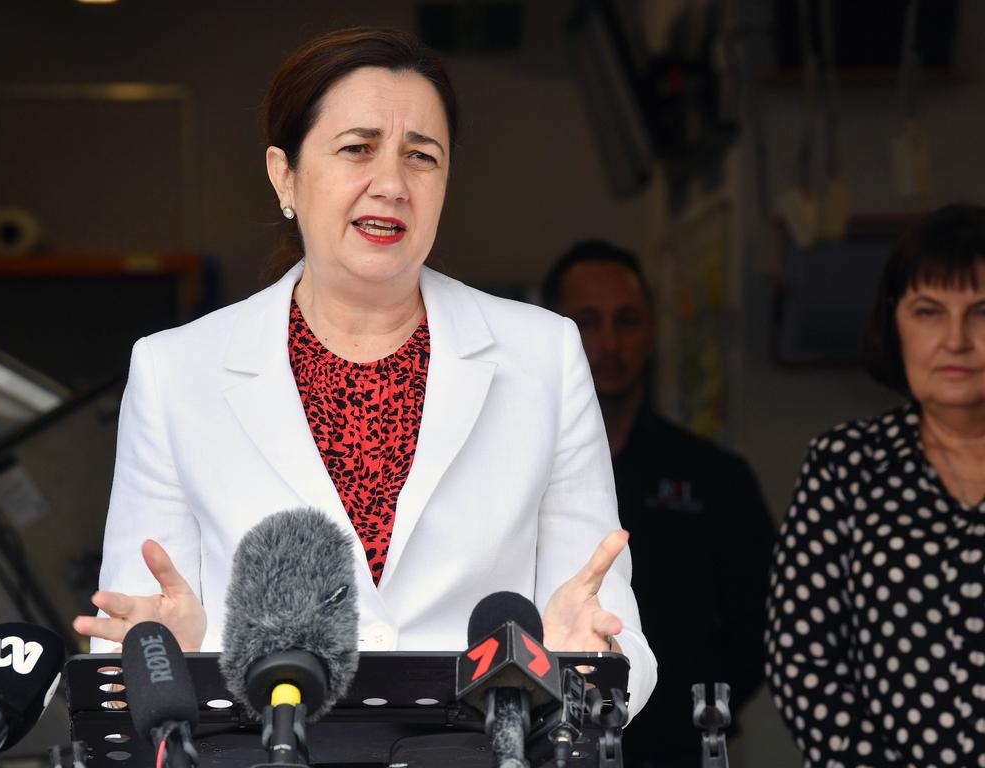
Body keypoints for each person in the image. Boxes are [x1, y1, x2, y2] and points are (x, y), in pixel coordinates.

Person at [71, 28, 657, 716]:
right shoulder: (177, 371)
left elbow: (617, 643)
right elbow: (129, 652)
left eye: (422, 157)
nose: (392, 184)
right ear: (283, 175)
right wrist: (177, 655)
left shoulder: (542, 355)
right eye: (357, 149)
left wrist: (582, 664)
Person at [766, 204, 985, 766]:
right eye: (930, 311)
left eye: (982, 313)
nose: (957, 340)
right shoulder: (846, 466)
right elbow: (801, 659)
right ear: (895, 322)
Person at [543, 241, 774, 766]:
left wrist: (701, 710)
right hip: (552, 742)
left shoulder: (714, 477)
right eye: (587, 322)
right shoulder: (518, 470)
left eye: (627, 321)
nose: (608, 342)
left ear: (651, 332)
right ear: (553, 331)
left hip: (679, 743)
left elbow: (759, 622)